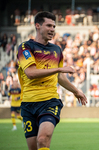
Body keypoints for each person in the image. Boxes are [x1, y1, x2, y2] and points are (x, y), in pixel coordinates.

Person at [17, 11, 87, 150]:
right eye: (48, 25)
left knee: (42, 139)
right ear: (38, 26)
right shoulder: (26, 47)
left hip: (49, 101)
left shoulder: (56, 49)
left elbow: (60, 78)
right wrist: (59, 69)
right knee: (33, 148)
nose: (52, 29)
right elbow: (30, 73)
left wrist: (76, 91)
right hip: (28, 104)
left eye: (54, 26)